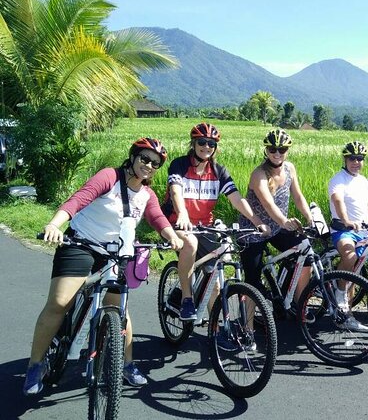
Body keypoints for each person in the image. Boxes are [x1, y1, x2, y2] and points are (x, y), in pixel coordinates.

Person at [24, 138, 184, 395]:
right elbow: (78, 200)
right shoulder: (109, 176)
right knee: (60, 302)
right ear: (133, 157)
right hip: (80, 243)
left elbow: (158, 218)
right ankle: (35, 364)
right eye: (144, 158)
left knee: (119, 309)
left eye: (155, 164)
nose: (149, 166)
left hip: (113, 254)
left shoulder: (147, 194)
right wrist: (55, 225)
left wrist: (173, 237)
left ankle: (127, 364)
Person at [161, 122, 269, 321]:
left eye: (211, 144)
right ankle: (187, 299)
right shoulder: (180, 164)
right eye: (202, 142)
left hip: (204, 226)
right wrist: (183, 214)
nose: (206, 147)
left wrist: (256, 221)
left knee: (215, 281)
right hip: (177, 222)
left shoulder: (219, 172)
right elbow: (175, 191)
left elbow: (236, 198)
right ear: (193, 143)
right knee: (190, 244)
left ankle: (217, 329)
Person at [238, 129, 314, 319]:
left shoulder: (290, 168)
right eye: (272, 149)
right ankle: (247, 328)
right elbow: (268, 204)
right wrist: (285, 221)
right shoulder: (259, 174)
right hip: (254, 229)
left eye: (282, 149)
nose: (277, 153)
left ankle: (299, 305)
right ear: (266, 150)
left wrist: (309, 218)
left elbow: (297, 196)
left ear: (287, 150)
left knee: (306, 256)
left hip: (278, 228)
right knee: (253, 282)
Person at [328, 141, 368, 332]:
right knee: (350, 257)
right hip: (342, 230)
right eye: (352, 158)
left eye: (360, 159)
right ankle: (339, 290)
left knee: (356, 272)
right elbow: (338, 200)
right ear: (345, 159)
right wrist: (346, 220)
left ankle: (347, 315)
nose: (356, 162)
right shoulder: (338, 179)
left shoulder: (362, 181)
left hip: (362, 231)